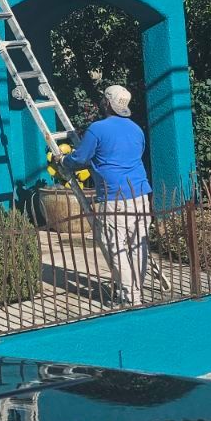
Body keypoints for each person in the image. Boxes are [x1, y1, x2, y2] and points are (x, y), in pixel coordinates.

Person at [62, 85, 152, 306]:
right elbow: (136, 154)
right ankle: (136, 291)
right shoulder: (136, 129)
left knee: (117, 247)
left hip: (114, 197)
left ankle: (130, 298)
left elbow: (81, 158)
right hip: (140, 193)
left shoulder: (97, 129)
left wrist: (64, 161)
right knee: (138, 245)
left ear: (106, 103)